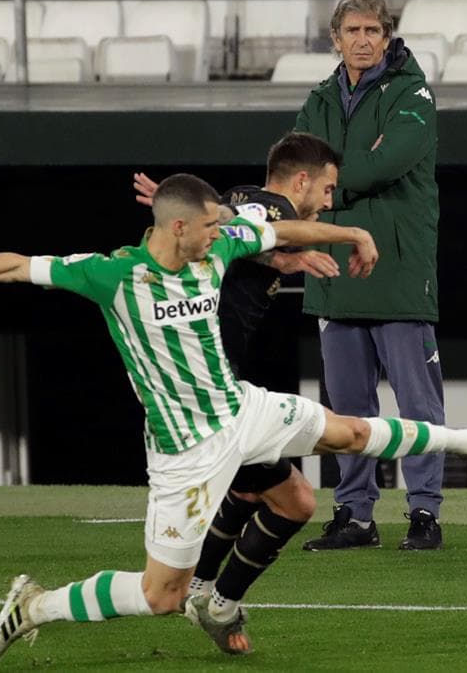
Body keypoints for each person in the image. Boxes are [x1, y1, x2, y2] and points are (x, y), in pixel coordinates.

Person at [0, 173, 467, 661]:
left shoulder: (218, 249)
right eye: (209, 227)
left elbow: (282, 229)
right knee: (160, 594)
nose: (220, 234)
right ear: (177, 228)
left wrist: (348, 231)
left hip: (242, 408)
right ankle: (36, 604)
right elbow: (18, 266)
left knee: (346, 434)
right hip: (184, 453)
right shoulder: (112, 275)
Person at [132, 132, 343, 618]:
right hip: (209, 390)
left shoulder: (240, 199)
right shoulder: (273, 211)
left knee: (250, 490)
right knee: (297, 501)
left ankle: (202, 590)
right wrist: (287, 254)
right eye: (327, 191)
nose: (327, 204)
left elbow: (230, 232)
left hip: (206, 380)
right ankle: (218, 602)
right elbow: (249, 232)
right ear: (303, 180)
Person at [294, 0, 449, 551]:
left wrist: (330, 179)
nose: (363, 41)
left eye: (373, 32)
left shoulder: (413, 94)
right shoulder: (318, 99)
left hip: (400, 269)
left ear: (387, 38)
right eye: (353, 32)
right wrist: (333, 177)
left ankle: (425, 513)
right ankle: (355, 515)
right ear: (335, 39)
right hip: (334, 269)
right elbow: (297, 173)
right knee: (346, 406)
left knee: (417, 405)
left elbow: (385, 164)